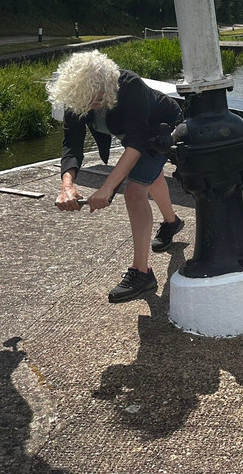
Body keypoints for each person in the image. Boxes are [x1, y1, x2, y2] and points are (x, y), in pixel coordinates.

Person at [47, 50, 184, 303]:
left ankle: (142, 274)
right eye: (84, 101)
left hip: (161, 126)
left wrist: (107, 188)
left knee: (134, 191)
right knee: (151, 177)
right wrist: (66, 186)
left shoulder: (129, 85)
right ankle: (172, 222)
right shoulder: (78, 97)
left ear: (108, 84)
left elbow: (136, 142)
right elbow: (71, 145)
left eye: (95, 98)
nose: (89, 105)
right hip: (136, 134)